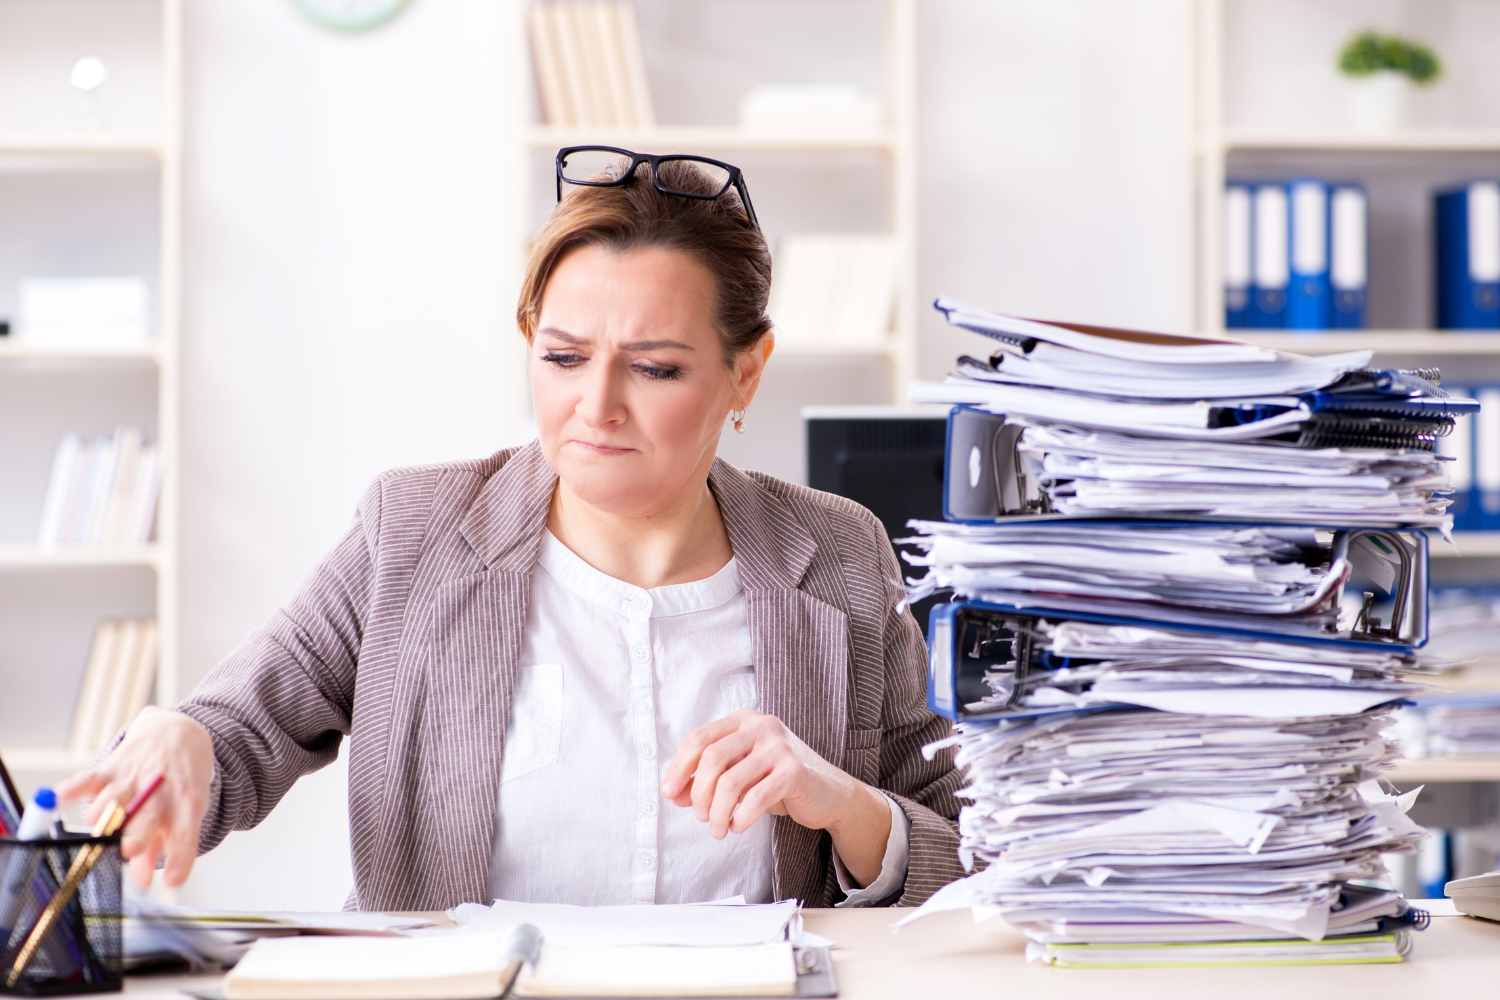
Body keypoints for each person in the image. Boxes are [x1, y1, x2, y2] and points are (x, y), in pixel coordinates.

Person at [59, 149, 967, 911]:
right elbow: (237, 733)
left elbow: (970, 848)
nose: (595, 406)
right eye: (563, 357)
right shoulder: (410, 535)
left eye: (653, 368)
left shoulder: (840, 554)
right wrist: (182, 742)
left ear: (746, 374)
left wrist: (845, 806)